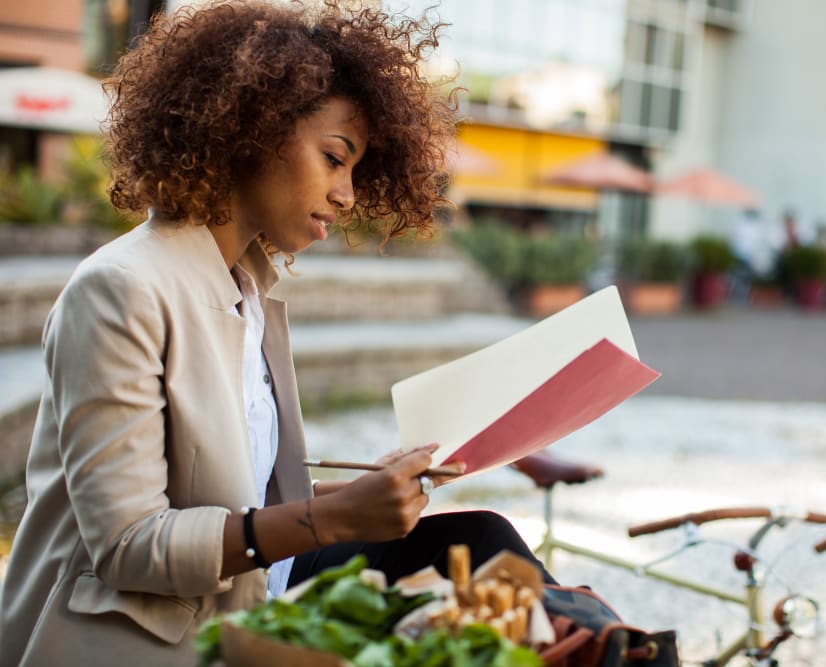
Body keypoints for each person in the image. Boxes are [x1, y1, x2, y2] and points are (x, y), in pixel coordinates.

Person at [0, 2, 550, 665]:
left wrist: (360, 494)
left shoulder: (249, 289)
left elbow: (242, 496)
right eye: (334, 158)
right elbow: (129, 545)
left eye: (355, 171)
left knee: (484, 539)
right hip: (148, 636)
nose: (347, 195)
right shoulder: (122, 290)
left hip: (250, 597)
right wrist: (336, 519)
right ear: (250, 130)